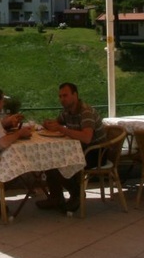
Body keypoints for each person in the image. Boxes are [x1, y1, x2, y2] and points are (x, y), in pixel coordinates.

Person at [38, 81, 106, 212]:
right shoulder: (67, 111)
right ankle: (56, 197)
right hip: (78, 150)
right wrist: (48, 124)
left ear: (75, 95)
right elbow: (56, 123)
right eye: (60, 96)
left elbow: (86, 137)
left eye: (65, 95)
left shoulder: (86, 112)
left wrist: (61, 129)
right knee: (49, 159)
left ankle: (76, 194)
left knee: (56, 163)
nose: (62, 99)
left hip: (95, 152)